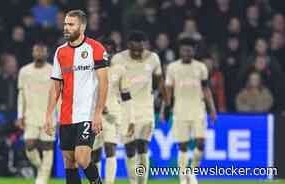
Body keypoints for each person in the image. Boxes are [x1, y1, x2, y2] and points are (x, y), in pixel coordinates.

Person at [44, 10, 108, 184]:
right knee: (69, 161)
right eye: (65, 24)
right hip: (66, 115)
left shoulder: (95, 49)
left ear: (82, 26)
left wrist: (98, 113)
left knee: (82, 158)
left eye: (71, 24)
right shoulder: (60, 52)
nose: (66, 28)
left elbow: (104, 83)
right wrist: (49, 114)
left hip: (87, 114)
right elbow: (56, 86)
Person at [113, 31, 165, 184]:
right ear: (128, 45)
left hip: (146, 110)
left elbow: (160, 82)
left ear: (145, 45)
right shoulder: (118, 59)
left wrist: (165, 105)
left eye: (140, 48)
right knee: (129, 149)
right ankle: (133, 182)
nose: (137, 51)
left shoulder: (153, 59)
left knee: (142, 148)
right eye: (134, 49)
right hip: (126, 110)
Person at [164, 38, 217, 184]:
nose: (187, 52)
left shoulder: (201, 67)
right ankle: (183, 178)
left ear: (193, 51)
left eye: (190, 50)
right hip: (180, 110)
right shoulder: (173, 68)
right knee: (182, 146)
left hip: (198, 109)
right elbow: (168, 91)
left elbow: (206, 90)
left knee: (201, 142)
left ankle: (192, 171)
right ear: (180, 51)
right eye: (184, 50)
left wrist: (212, 109)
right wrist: (164, 109)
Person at [92, 38, 134, 184]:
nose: (107, 53)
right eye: (105, 50)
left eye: (110, 51)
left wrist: (130, 119)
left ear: (114, 53)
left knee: (110, 148)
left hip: (113, 115)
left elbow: (126, 97)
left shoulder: (120, 70)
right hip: (94, 116)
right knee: (95, 154)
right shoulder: (91, 70)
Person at [16, 43, 55, 184]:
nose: (39, 53)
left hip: (49, 116)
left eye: (42, 51)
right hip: (30, 116)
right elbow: (21, 95)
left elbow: (60, 95)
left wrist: (61, 115)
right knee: (29, 145)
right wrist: (20, 116)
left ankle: (42, 180)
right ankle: (41, 168)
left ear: (47, 53)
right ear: (33, 53)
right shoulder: (24, 71)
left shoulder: (53, 71)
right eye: (37, 51)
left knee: (47, 147)